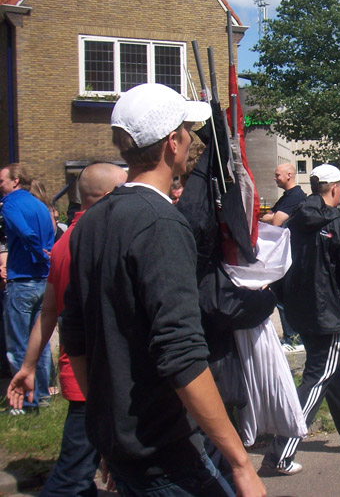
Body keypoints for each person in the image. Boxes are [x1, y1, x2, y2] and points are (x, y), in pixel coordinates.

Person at [59, 83, 265, 496]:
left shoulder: (91, 221)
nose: (190, 140)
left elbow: (76, 337)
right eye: (187, 132)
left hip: (125, 444)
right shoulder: (161, 224)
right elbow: (181, 353)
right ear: (172, 143)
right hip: (167, 452)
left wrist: (111, 433)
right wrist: (241, 463)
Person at [7, 162, 128, 496]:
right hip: (93, 374)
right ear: (108, 195)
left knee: (85, 472)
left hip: (84, 373)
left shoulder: (65, 242)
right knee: (71, 477)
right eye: (123, 189)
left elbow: (48, 312)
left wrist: (29, 366)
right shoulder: (94, 240)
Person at [265, 164, 340, 476]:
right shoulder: (338, 224)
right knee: (319, 375)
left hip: (301, 310)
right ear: (334, 188)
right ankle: (281, 452)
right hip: (328, 313)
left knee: (332, 373)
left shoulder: (294, 221)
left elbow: (282, 264)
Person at [0, 163, 55, 414]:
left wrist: (38, 254)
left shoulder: (10, 204)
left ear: (15, 181)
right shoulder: (40, 205)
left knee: (18, 344)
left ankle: (24, 400)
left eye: (2, 181)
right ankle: (42, 394)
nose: (0, 186)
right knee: (38, 343)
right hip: (43, 281)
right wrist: (46, 257)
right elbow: (49, 235)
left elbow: (25, 232)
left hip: (22, 279)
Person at [261, 163, 307, 352]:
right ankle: (292, 337)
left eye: (277, 175)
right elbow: (268, 216)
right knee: (280, 295)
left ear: (289, 175)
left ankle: (294, 339)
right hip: (285, 254)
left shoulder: (296, 196)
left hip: (290, 255)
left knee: (284, 297)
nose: (275, 178)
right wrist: (270, 216)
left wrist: (271, 217)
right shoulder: (286, 197)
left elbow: (275, 221)